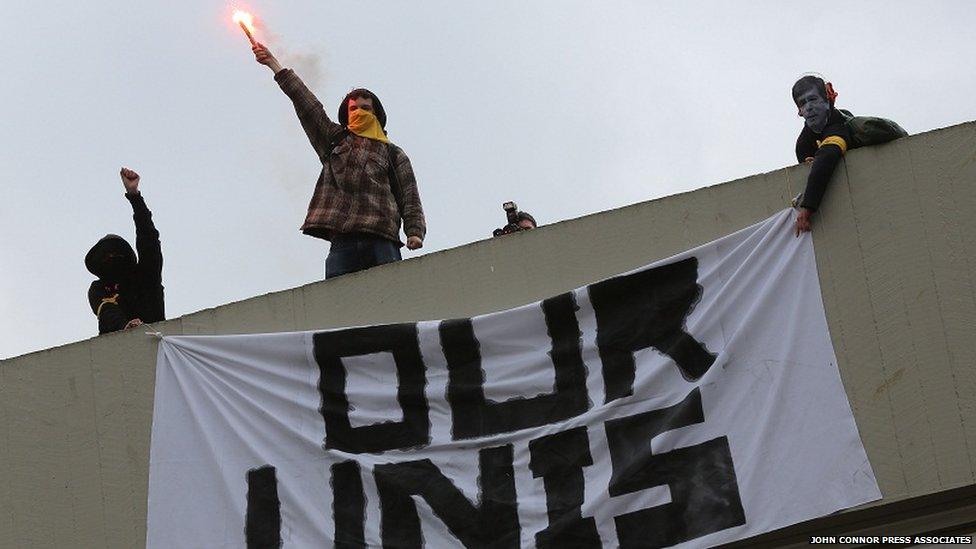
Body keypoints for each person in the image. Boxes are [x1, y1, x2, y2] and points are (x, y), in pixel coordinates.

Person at [251, 42, 427, 279]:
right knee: (339, 307)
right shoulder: (334, 139)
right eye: (353, 108)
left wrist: (414, 232)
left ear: (376, 115)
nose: (359, 112)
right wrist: (274, 65)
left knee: (391, 302)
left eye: (365, 108)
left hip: (382, 239)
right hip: (343, 239)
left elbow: (410, 197)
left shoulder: (393, 154)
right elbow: (307, 104)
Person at [86, 168, 165, 334]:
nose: (112, 258)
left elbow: (148, 240)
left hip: (156, 340)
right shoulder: (99, 288)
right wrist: (125, 326)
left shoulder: (144, 274)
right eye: (106, 257)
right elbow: (107, 311)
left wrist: (134, 196)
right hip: (118, 348)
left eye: (116, 254)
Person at [791, 75, 850, 236]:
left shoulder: (838, 125)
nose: (808, 107)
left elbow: (826, 158)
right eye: (803, 103)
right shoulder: (804, 144)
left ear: (827, 101)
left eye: (813, 99)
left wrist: (807, 209)